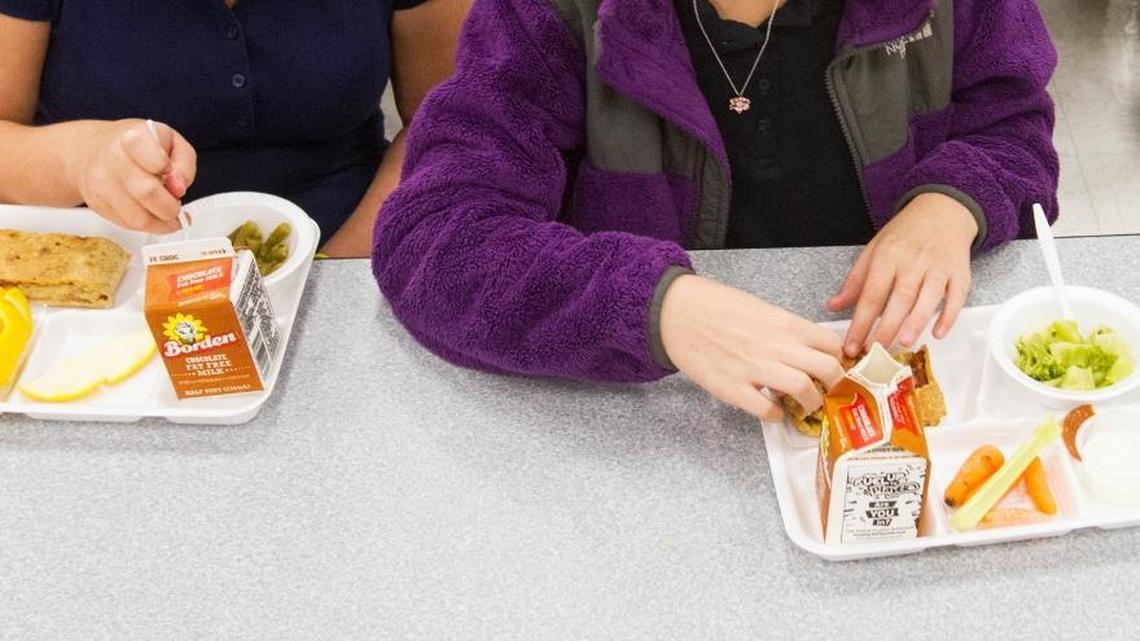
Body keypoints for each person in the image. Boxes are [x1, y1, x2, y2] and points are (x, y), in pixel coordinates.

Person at [372, 0, 1059, 420]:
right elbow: (435, 236)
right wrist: (653, 308)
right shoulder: (548, 14)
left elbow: (1012, 121)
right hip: (654, 420)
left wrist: (951, 201)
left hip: (889, 378)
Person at [0, 0, 470, 256]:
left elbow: (457, 121)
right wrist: (79, 157)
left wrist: (344, 264)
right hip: (111, 265)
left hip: (348, 237)